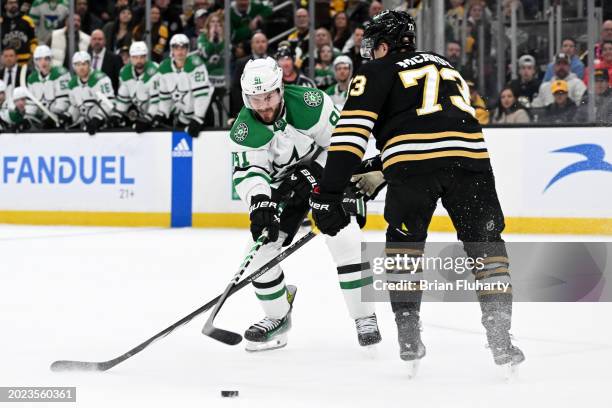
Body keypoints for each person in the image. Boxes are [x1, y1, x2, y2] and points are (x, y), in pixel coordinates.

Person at [309, 10, 524, 371]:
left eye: (372, 46)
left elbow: (350, 136)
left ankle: (408, 335)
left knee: (404, 246)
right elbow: (436, 123)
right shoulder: (445, 64)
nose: (370, 54)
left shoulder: (376, 70)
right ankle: (501, 339)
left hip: (414, 168)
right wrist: (383, 164)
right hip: (471, 162)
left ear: (383, 45)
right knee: (487, 248)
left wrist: (329, 195)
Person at [229, 57, 380, 352]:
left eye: (269, 96)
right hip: (283, 188)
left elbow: (344, 145)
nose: (264, 106)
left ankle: (365, 316)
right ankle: (278, 316)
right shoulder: (243, 129)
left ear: (280, 89)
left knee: (345, 236)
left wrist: (318, 172)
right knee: (258, 252)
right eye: (255, 99)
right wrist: (260, 203)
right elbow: (250, 172)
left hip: (327, 176)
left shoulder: (312, 103)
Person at [157, 34, 212, 138]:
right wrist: (161, 113)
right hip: (183, 116)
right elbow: (165, 96)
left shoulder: (195, 64)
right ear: (171, 49)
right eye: (176, 47)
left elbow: (202, 95)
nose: (180, 51)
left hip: (203, 114)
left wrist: (198, 118)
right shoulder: (164, 67)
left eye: (183, 47)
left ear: (188, 49)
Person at [61, 51, 118, 135]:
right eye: (78, 64)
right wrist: (69, 115)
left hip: (104, 126)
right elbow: (75, 106)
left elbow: (109, 103)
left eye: (84, 64)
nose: (81, 68)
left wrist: (98, 118)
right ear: (74, 66)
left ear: (89, 64)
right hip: (86, 125)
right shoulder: (72, 84)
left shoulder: (101, 79)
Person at [116, 42, 160, 132]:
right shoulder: (124, 72)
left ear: (146, 57)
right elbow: (123, 100)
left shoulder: (155, 71)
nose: (139, 61)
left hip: (160, 116)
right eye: (135, 57)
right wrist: (117, 115)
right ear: (130, 58)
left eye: (142, 57)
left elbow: (157, 102)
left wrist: (148, 118)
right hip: (142, 115)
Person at [25, 45, 71, 128]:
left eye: (46, 58)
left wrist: (53, 117)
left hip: (59, 120)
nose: (43, 62)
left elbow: (63, 102)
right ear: (35, 61)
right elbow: (31, 104)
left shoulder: (61, 73)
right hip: (41, 121)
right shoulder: (31, 78)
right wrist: (27, 118)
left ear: (51, 59)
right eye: (39, 59)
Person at [197, 10, 226, 128]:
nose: (215, 25)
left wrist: (220, 39)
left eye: (218, 22)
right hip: (207, 78)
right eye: (212, 22)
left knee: (220, 105)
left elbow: (225, 54)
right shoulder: (202, 37)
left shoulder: (226, 37)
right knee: (207, 106)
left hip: (222, 78)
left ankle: (221, 128)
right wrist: (211, 40)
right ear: (208, 24)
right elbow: (205, 53)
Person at [230, 32, 269, 119]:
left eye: (263, 42)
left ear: (267, 44)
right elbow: (236, 87)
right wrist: (242, 108)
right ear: (252, 45)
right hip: (249, 108)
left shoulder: (273, 61)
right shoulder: (242, 63)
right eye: (257, 42)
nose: (260, 45)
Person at [1, 0, 38, 66]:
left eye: (15, 2)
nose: (13, 5)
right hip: (6, 62)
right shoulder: (1, 22)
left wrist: (33, 53)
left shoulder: (27, 20)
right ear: (5, 5)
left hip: (25, 61)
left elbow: (33, 40)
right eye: (10, 3)